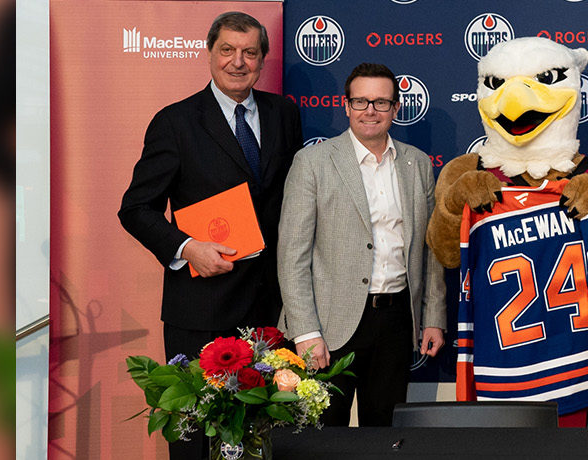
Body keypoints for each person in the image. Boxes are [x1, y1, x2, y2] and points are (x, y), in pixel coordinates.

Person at [117, 12, 300, 459]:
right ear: (210, 54)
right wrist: (186, 248)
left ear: (262, 60)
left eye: (250, 53)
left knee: (264, 435)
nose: (238, 62)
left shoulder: (284, 113)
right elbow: (136, 208)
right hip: (200, 310)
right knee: (196, 439)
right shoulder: (175, 122)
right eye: (227, 50)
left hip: (270, 309)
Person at [277, 62, 445, 427]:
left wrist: (433, 317)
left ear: (396, 109)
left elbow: (429, 249)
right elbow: (292, 256)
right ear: (347, 105)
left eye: (381, 102)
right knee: (323, 436)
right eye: (361, 101)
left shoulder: (416, 163)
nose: (371, 110)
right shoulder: (313, 162)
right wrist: (306, 331)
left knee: (383, 433)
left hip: (397, 320)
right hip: (329, 323)